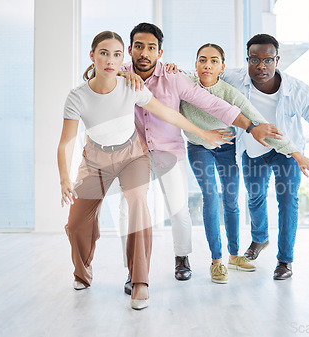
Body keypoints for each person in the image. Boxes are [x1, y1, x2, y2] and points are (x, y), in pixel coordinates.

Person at [57, 31, 232, 310]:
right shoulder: (78, 96)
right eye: (104, 53)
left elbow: (168, 113)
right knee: (77, 223)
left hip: (131, 157)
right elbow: (66, 141)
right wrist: (65, 178)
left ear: (122, 58)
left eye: (116, 55)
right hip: (93, 161)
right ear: (92, 56)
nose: (110, 60)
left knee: (138, 206)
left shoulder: (133, 86)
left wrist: (203, 133)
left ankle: (140, 280)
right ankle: (83, 270)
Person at [120, 23, 285, 292]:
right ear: (130, 49)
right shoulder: (121, 74)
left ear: (160, 52)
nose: (144, 53)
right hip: (135, 154)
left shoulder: (174, 77)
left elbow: (214, 104)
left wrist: (252, 127)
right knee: (131, 212)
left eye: (151, 47)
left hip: (169, 152)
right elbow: (97, 81)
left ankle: (183, 258)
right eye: (139, 46)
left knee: (180, 211)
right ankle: (134, 270)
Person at [179, 43, 309, 283]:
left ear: (222, 67)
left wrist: (296, 154)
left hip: (226, 148)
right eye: (202, 60)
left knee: (231, 200)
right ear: (195, 64)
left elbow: (259, 123)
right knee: (211, 196)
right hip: (199, 147)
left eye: (214, 61)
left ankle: (234, 256)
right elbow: (157, 75)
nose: (207, 65)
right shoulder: (184, 83)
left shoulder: (229, 93)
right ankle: (217, 261)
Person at [221, 34, 309, 280]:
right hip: (252, 149)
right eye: (255, 60)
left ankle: (284, 260)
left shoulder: (298, 90)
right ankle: (259, 239)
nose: (261, 66)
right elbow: (206, 76)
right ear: (247, 59)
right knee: (255, 197)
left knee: (288, 201)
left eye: (268, 60)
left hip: (288, 153)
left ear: (277, 59)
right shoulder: (234, 80)